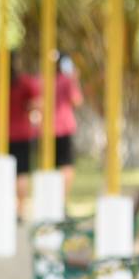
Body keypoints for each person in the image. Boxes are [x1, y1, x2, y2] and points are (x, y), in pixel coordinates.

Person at [0, 51, 42, 210]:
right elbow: (37, 105)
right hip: (21, 134)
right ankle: (20, 209)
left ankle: (2, 208)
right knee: (21, 173)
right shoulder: (25, 82)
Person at [53, 53, 84, 194]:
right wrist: (75, 80)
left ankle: (54, 198)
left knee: (51, 166)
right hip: (64, 127)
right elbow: (77, 101)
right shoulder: (67, 81)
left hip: (48, 128)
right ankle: (62, 198)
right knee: (66, 165)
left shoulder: (45, 80)